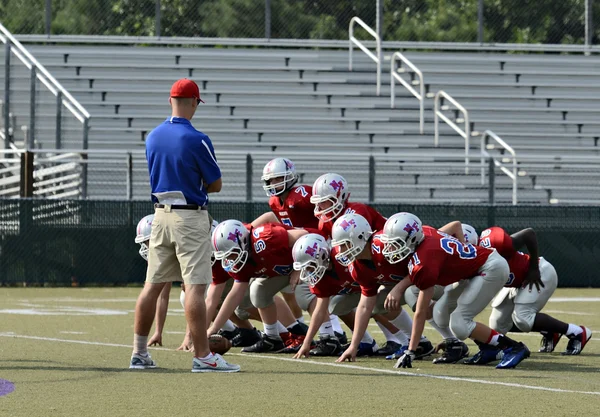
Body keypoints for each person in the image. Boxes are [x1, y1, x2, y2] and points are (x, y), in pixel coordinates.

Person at [130, 78, 239, 373]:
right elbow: (215, 184)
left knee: (151, 286)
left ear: (170, 101)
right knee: (195, 286)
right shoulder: (197, 138)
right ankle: (203, 356)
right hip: (189, 216)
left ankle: (139, 353)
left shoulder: (152, 136)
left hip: (160, 216)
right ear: (194, 102)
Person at [379, 212, 530, 370]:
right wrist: (463, 252)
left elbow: (421, 312)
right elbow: (455, 225)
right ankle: (489, 348)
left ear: (411, 240)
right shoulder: (426, 232)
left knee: (460, 323)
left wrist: (411, 351)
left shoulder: (424, 262)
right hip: (474, 271)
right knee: (440, 315)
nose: (390, 248)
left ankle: (513, 347)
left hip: (490, 268)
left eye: (395, 243)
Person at [466, 226, 592, 364]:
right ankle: (549, 331)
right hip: (516, 282)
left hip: (538, 273)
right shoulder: (467, 260)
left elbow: (529, 234)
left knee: (523, 319)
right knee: (497, 324)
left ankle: (577, 332)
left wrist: (533, 268)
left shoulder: (492, 242)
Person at [208, 219, 309, 353]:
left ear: (243, 242)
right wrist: (214, 328)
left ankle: (329, 336)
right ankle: (273, 338)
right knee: (258, 292)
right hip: (282, 270)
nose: (230, 258)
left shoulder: (264, 238)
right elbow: (234, 296)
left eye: (231, 253)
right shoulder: (239, 260)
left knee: (306, 296)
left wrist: (299, 267)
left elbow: (304, 235)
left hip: (311, 259)